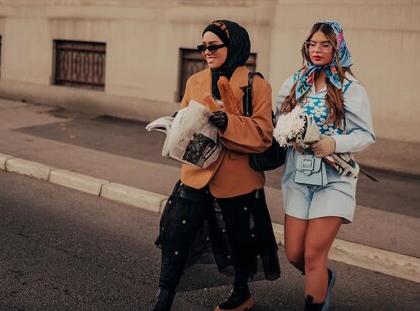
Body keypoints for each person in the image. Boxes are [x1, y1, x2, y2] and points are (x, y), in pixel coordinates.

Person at [153, 20, 281, 311]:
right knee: (177, 237)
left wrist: (229, 123)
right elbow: (187, 116)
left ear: (233, 46)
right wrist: (177, 123)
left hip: (236, 178)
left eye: (213, 46)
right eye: (203, 47)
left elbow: (264, 135)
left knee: (238, 241)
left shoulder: (255, 85)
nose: (206, 52)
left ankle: (241, 293)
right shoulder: (195, 81)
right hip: (196, 174)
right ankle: (164, 297)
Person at [276, 21, 375, 311]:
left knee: (313, 255)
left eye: (325, 44)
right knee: (295, 254)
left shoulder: (350, 88)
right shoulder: (295, 81)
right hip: (298, 175)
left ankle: (315, 292)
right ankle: (324, 278)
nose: (317, 50)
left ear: (337, 47)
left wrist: (334, 144)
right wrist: (287, 134)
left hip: (334, 179)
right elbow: (278, 119)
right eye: (312, 44)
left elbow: (366, 135)